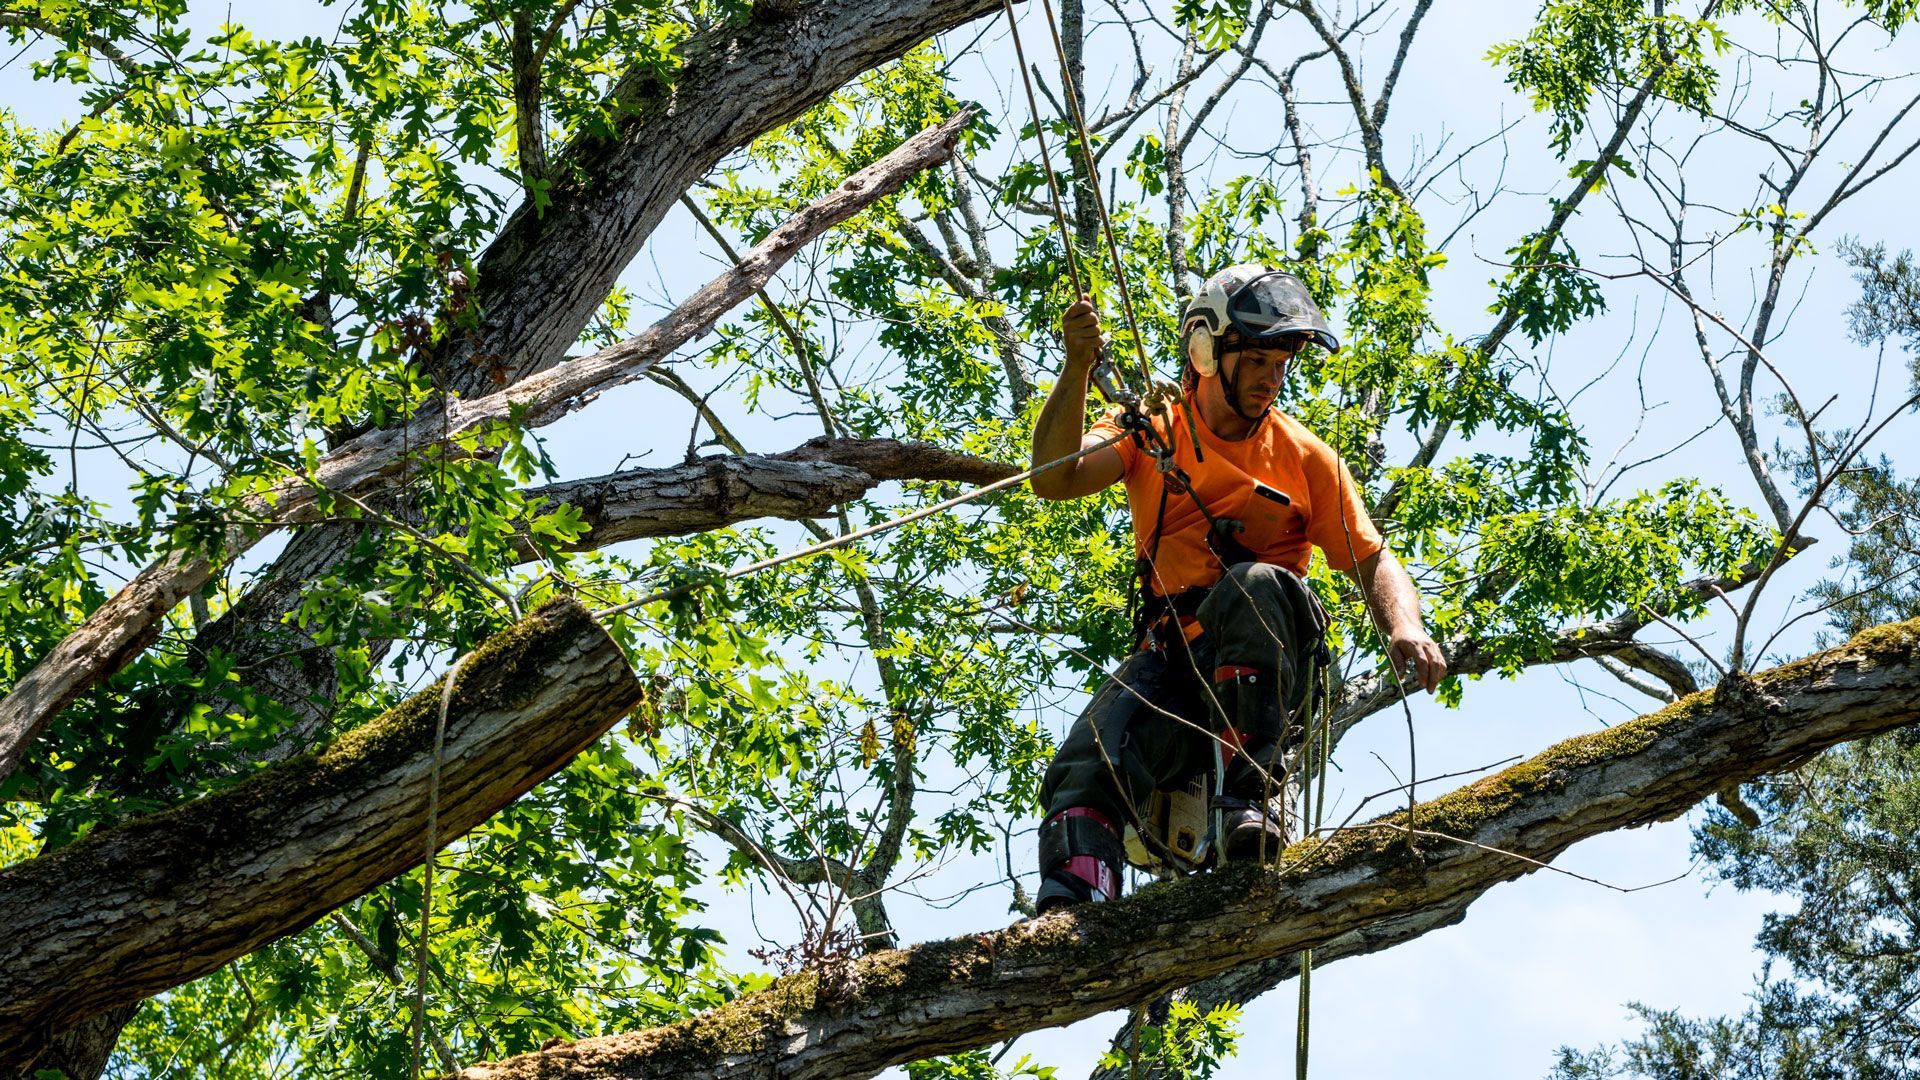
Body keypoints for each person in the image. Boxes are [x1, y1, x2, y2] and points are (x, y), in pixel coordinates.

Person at [1028, 263, 1447, 912]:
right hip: (1176, 665)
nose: (1273, 376)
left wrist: (1405, 625)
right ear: (1204, 349)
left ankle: (1251, 799)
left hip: (1267, 671)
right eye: (1256, 358)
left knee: (1249, 585)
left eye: (1281, 361)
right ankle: (1073, 905)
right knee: (1090, 756)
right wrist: (1077, 368)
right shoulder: (1151, 424)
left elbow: (1373, 559)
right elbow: (1056, 477)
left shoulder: (1306, 458)